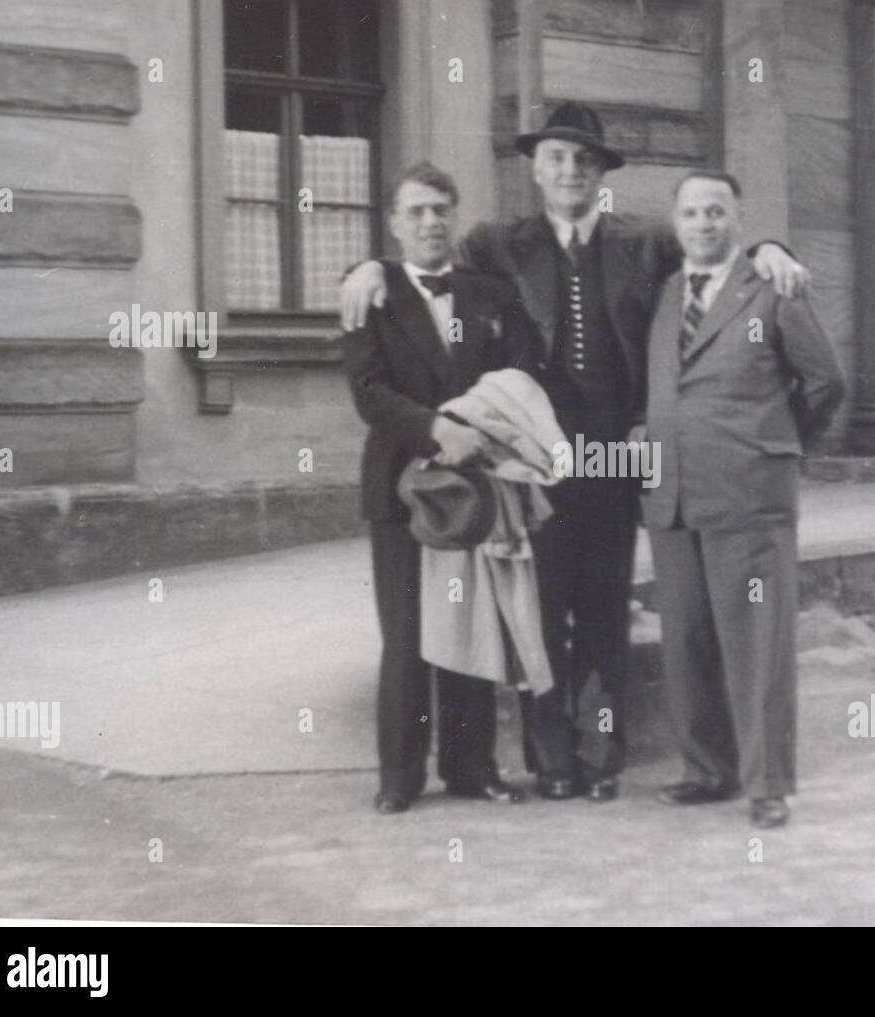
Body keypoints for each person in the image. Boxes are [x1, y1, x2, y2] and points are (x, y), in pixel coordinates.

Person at [341, 102, 810, 804]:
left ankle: (601, 755)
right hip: (534, 454)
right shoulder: (499, 243)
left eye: (584, 160)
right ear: (535, 168)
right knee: (538, 609)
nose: (570, 171)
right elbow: (421, 259)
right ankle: (551, 756)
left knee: (602, 608)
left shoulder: (642, 240)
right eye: (557, 158)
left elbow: (715, 246)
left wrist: (774, 246)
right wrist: (365, 267)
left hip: (617, 451)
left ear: (601, 174)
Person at [640, 170, 845, 829]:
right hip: (672, 495)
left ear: (739, 219)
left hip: (749, 492)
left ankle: (768, 784)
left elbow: (826, 381)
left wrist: (777, 445)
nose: (703, 224)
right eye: (692, 213)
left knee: (756, 641)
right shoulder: (669, 291)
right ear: (676, 225)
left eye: (716, 212)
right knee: (689, 639)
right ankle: (707, 770)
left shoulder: (772, 286)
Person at [342, 161, 538, 814]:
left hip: (475, 489)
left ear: (454, 217)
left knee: (468, 622)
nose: (431, 221)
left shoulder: (490, 295)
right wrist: (436, 430)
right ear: (395, 224)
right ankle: (399, 776)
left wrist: (482, 427)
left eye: (440, 209)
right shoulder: (369, 293)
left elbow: (521, 370)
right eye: (417, 210)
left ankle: (470, 766)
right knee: (405, 634)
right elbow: (369, 392)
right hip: (402, 487)